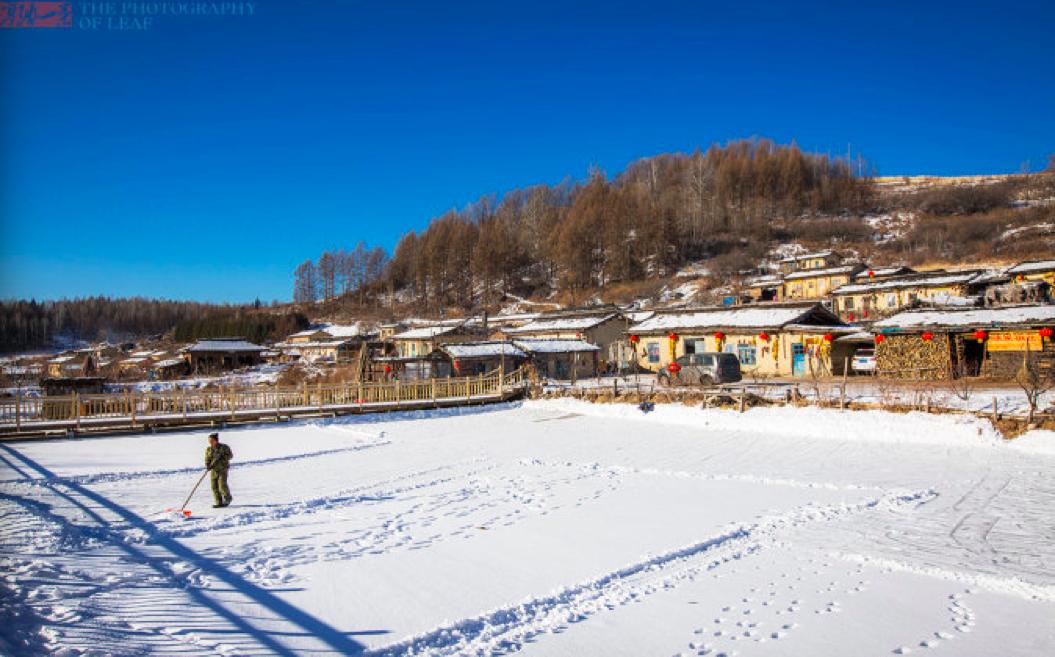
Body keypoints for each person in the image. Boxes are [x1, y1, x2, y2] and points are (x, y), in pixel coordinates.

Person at [205, 432, 233, 508]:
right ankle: (219, 502)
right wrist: (208, 465)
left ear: (216, 440)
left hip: (223, 469)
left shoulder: (224, 447)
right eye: (209, 441)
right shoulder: (208, 449)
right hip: (214, 470)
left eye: (211, 441)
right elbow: (207, 458)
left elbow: (230, 456)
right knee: (214, 486)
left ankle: (228, 499)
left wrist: (221, 458)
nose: (210, 442)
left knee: (222, 485)